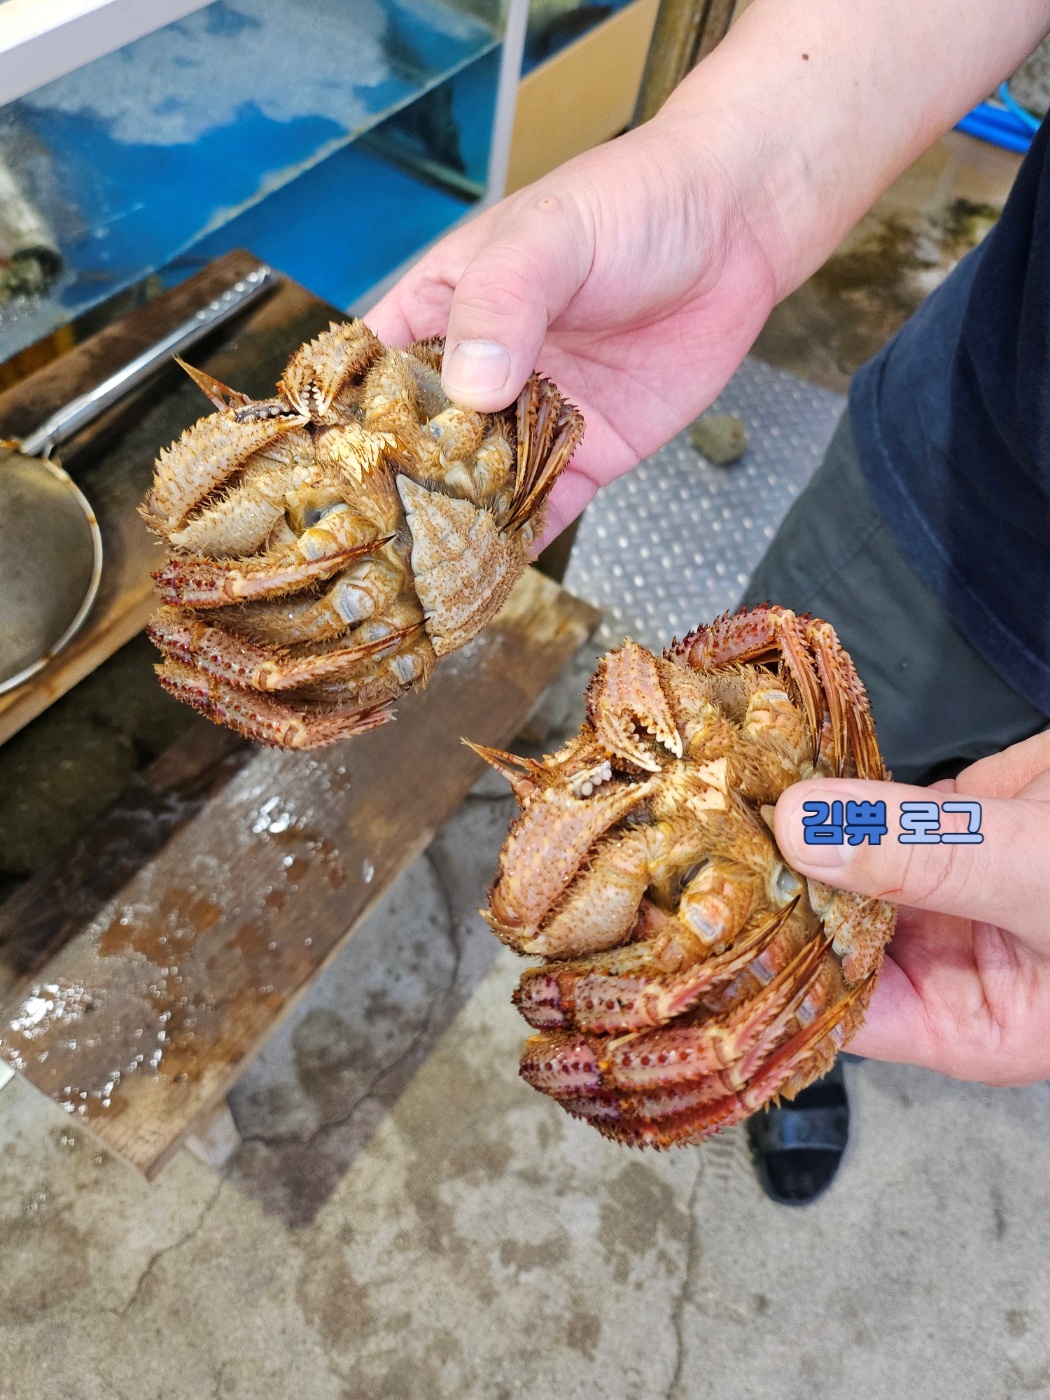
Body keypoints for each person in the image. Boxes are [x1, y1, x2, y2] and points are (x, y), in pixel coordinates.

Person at [369, 0, 1050, 1203]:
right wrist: (727, 177)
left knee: (832, 946)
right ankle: (790, 1056)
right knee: (844, 738)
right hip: (980, 486)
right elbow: (766, 652)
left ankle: (792, 1049)